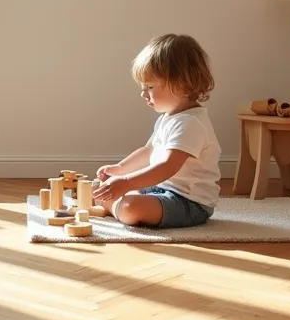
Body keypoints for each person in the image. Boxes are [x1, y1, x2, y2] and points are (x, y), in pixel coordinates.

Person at [92, 33, 221, 228]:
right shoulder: (168, 118)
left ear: (182, 83)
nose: (143, 93)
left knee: (131, 206)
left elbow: (168, 167)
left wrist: (126, 183)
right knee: (104, 188)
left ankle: (116, 207)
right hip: (160, 188)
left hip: (189, 202)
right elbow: (148, 151)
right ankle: (114, 203)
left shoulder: (191, 123)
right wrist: (119, 169)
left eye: (150, 86)